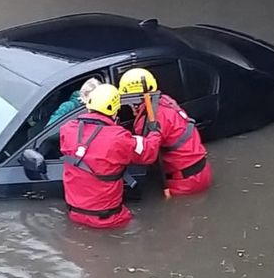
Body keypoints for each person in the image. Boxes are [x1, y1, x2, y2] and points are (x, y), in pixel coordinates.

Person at [59, 84, 162, 229]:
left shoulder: (67, 129)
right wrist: (155, 133)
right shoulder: (119, 138)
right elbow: (148, 153)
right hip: (109, 219)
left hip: (75, 214)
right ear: (115, 111)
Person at [119, 68, 212, 196]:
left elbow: (145, 156)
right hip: (202, 171)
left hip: (184, 182)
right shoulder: (165, 101)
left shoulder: (149, 121)